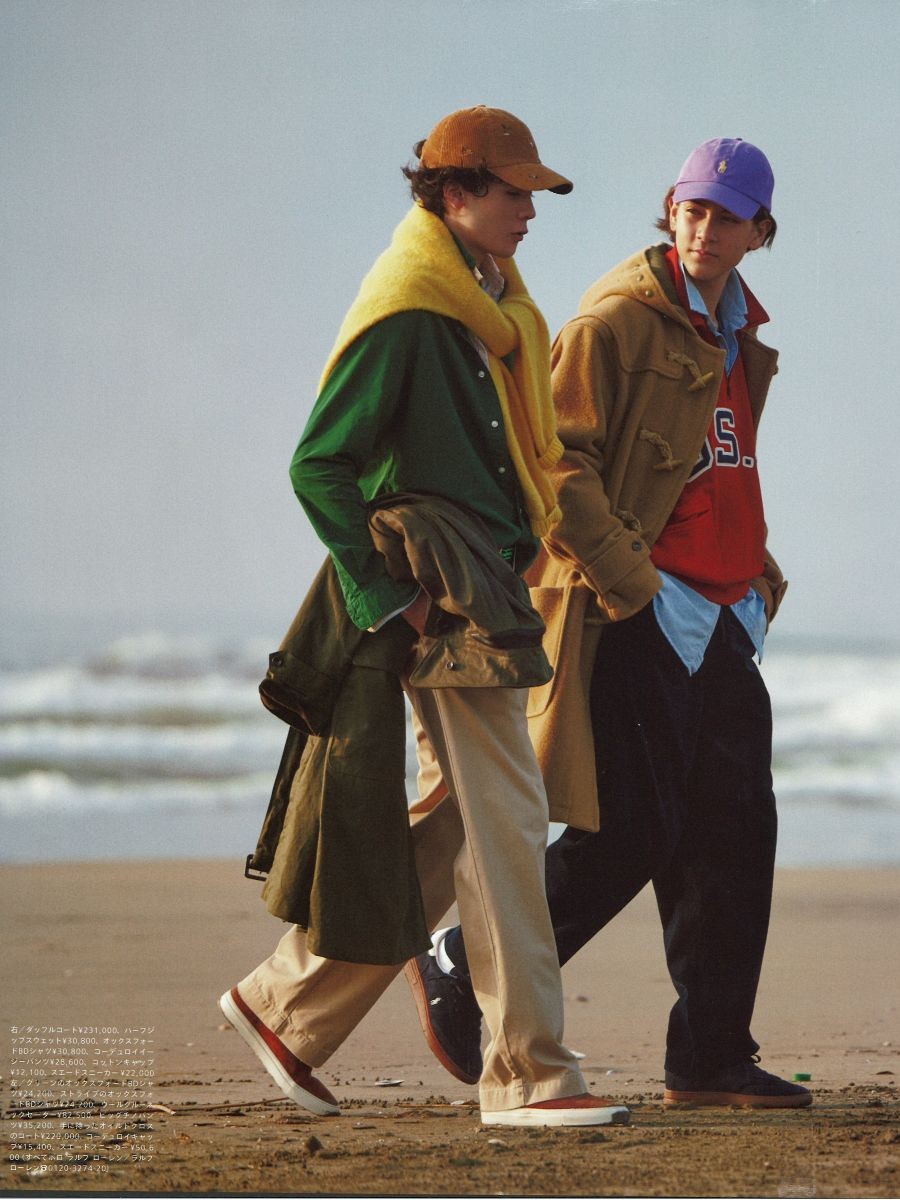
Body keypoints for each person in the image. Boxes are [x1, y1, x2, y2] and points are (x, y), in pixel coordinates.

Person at [218, 105, 629, 1129]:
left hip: (486, 590)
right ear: (455, 193)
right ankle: (526, 1072)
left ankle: (285, 1008)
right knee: (509, 821)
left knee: (459, 823)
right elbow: (319, 465)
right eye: (513, 191)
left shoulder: (494, 305)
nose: (530, 209)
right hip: (443, 601)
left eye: (533, 193)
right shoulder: (410, 310)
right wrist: (386, 594)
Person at [406, 137, 813, 1110]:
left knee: (735, 830)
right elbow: (556, 463)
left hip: (724, 611)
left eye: (726, 216)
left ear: (760, 231)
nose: (704, 229)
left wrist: (757, 573)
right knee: (630, 828)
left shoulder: (738, 330)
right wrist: (632, 582)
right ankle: (462, 962)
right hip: (642, 606)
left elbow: (717, 465)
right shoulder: (614, 319)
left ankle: (710, 1057)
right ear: (672, 210)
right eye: (692, 209)